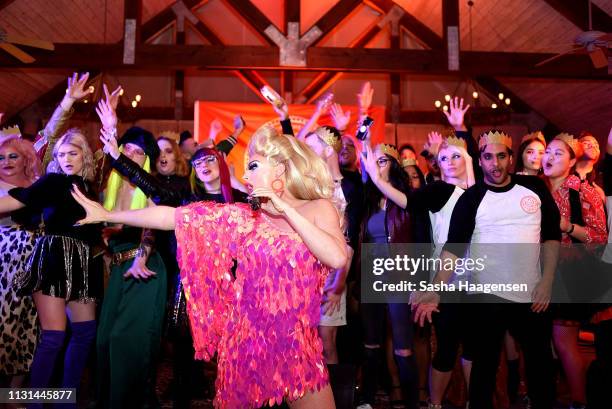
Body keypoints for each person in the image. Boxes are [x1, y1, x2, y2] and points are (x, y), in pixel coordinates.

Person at [71, 126, 347, 409]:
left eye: (253, 166)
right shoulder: (244, 218)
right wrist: (108, 214)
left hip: (297, 345)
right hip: (247, 344)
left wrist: (285, 208)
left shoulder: (318, 208)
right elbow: (172, 217)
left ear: (280, 168)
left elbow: (337, 258)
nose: (246, 177)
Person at [413, 129, 562, 409]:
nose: (495, 164)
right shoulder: (471, 199)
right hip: (487, 298)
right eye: (488, 157)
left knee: (541, 369)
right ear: (479, 161)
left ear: (511, 158)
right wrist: (434, 289)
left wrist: (548, 281)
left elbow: (552, 236)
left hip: (531, 294)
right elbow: (453, 249)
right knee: (483, 371)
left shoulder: (535, 188)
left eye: (501, 156)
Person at [0, 130, 102, 409]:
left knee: (85, 334)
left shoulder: (90, 186)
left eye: (73, 152)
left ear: (84, 155)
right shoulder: (53, 181)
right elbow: (17, 201)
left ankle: (64, 402)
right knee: (54, 336)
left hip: (83, 264)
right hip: (54, 260)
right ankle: (34, 403)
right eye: (61, 154)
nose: (67, 158)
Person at [542, 133, 607, 409]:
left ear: (571, 161)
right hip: (546, 273)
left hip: (571, 275)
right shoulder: (542, 191)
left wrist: (567, 226)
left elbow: (599, 236)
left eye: (558, 154)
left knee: (564, 340)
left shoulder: (582, 190)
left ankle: (579, 401)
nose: (549, 158)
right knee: (554, 343)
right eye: (548, 152)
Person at [357, 142, 420, 409]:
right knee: (371, 344)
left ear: (394, 165)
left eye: (382, 161)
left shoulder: (408, 197)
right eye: (374, 161)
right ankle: (367, 400)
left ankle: (412, 403)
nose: (376, 166)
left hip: (400, 277)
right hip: (373, 278)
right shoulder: (369, 200)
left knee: (402, 347)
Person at [0, 131, 41, 387]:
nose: (6, 161)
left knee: (30, 325)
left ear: (26, 158)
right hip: (4, 262)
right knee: (4, 325)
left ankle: (13, 395)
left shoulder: (38, 183)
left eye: (13, 156)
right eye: (1, 157)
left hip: (35, 262)